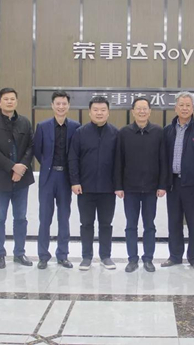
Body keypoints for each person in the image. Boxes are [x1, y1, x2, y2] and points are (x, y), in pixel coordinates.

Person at [114, 97, 167, 273]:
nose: (142, 111)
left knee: (149, 225)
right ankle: (132, 259)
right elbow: (118, 161)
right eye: (138, 108)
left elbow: (163, 160)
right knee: (131, 225)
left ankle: (148, 259)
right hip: (130, 188)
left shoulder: (158, 132)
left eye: (145, 108)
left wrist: (162, 185)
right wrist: (118, 186)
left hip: (151, 188)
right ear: (133, 111)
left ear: (150, 111)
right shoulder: (124, 133)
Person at [0, 87, 35, 269]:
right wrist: (12, 167)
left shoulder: (25, 122)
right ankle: (0, 254)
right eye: (6, 99)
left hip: (22, 179)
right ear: (0, 102)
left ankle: (19, 253)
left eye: (12, 99)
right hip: (1, 178)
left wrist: (21, 168)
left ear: (16, 101)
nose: (9, 102)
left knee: (20, 217)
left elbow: (31, 147)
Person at [162, 91, 194, 271]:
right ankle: (175, 256)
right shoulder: (168, 130)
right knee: (174, 222)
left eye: (188, 105)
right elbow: (163, 158)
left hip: (193, 185)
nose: (184, 108)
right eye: (181, 105)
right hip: (173, 184)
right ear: (175, 108)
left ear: (193, 108)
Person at [68, 96, 119, 270]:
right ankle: (86, 257)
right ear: (89, 112)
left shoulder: (115, 134)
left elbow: (119, 162)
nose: (99, 113)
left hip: (108, 189)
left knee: (106, 224)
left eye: (103, 110)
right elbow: (73, 158)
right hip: (85, 188)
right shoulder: (80, 133)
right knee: (86, 224)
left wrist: (118, 185)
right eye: (95, 110)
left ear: (108, 112)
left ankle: (106, 256)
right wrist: (75, 181)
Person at [33, 90, 80, 270]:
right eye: (58, 103)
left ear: (68, 106)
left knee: (64, 218)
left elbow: (76, 152)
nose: (61, 107)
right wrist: (47, 165)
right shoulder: (42, 126)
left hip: (66, 178)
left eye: (64, 104)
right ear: (52, 105)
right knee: (45, 218)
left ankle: (63, 255)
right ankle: (43, 256)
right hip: (48, 177)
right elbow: (37, 150)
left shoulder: (75, 127)